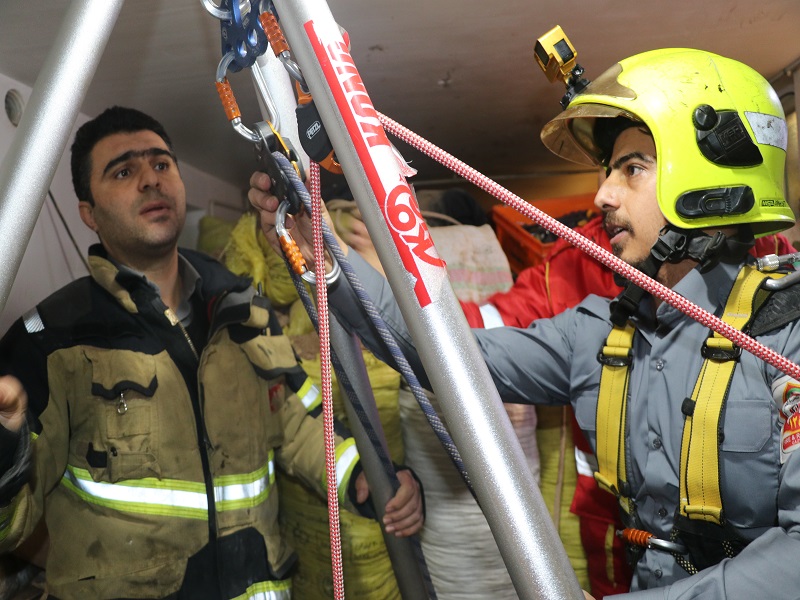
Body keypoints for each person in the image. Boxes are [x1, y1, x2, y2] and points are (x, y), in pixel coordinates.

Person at [250, 48, 800, 598]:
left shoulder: (787, 336)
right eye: (609, 171)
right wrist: (323, 253)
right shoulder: (601, 335)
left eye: (632, 169)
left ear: (710, 180)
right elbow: (440, 353)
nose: (603, 195)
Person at [0, 106, 423, 600]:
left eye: (161, 164)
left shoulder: (243, 308)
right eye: (123, 172)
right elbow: (11, 522)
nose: (151, 180)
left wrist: (364, 476)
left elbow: (298, 419)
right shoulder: (52, 341)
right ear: (89, 213)